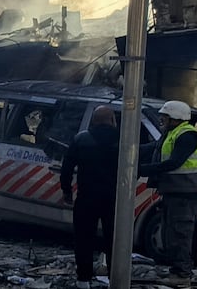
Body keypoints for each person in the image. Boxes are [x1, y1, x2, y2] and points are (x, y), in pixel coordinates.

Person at [140, 100, 197, 288]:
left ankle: (182, 275)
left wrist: (142, 170)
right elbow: (154, 149)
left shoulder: (188, 135)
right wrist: (128, 150)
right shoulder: (172, 133)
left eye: (165, 116)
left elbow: (174, 162)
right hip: (174, 192)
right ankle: (176, 271)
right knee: (170, 234)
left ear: (176, 118)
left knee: (179, 235)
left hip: (185, 194)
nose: (162, 119)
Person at [61, 106, 120, 289]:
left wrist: (67, 191)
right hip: (114, 199)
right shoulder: (123, 140)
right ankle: (115, 279)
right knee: (115, 240)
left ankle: (83, 280)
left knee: (84, 239)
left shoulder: (81, 139)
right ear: (112, 120)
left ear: (93, 120)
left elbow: (67, 168)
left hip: (86, 197)